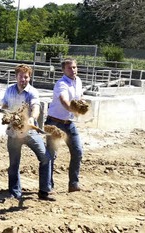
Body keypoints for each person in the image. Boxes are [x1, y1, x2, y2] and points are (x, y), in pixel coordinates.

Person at [1, 64, 55, 201]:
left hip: (30, 131)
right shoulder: (9, 90)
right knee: (14, 163)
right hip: (13, 132)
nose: (23, 79)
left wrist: (32, 118)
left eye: (26, 77)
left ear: (29, 78)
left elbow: (35, 106)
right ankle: (14, 192)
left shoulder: (32, 92)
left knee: (45, 157)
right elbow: (4, 104)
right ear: (16, 77)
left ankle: (44, 190)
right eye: (21, 76)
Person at [45, 58, 84, 193]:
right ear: (63, 70)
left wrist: (82, 104)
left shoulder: (78, 81)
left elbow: (79, 97)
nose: (73, 70)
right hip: (54, 123)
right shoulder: (61, 84)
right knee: (51, 155)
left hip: (68, 123)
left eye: (74, 67)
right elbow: (64, 101)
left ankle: (73, 184)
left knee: (78, 151)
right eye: (69, 68)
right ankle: (48, 186)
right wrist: (76, 110)